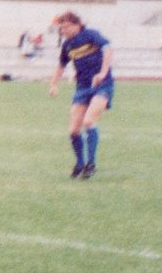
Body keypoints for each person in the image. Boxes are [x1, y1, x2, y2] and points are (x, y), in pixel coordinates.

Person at [48, 11, 114, 180]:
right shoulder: (67, 45)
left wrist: (103, 72)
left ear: (77, 25)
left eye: (66, 27)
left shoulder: (91, 35)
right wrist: (54, 84)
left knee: (89, 121)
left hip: (102, 85)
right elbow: (61, 66)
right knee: (74, 130)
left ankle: (91, 164)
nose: (63, 31)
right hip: (82, 88)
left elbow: (108, 50)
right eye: (61, 28)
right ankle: (79, 164)